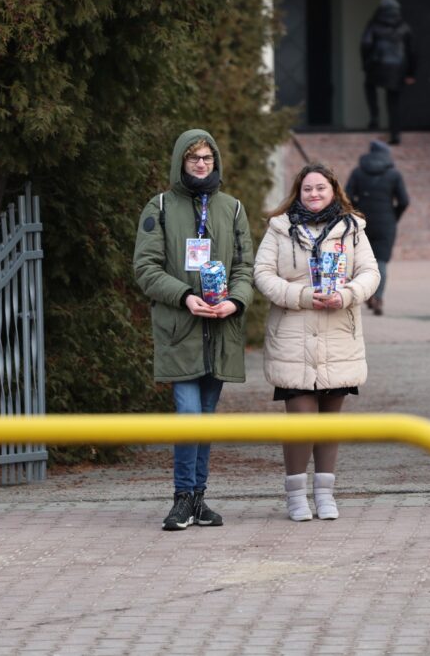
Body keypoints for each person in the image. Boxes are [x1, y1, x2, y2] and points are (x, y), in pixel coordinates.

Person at [133, 128, 254, 530]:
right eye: (193, 158)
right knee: (188, 415)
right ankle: (182, 497)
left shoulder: (232, 209)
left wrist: (236, 300)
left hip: (220, 331)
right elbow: (146, 269)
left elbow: (244, 267)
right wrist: (185, 295)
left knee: (205, 416)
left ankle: (199, 498)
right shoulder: (161, 206)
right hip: (179, 330)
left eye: (207, 158)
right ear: (180, 162)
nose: (201, 164)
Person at [254, 162, 380, 522]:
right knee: (301, 421)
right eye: (307, 189)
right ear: (298, 192)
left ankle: (325, 493)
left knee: (330, 422)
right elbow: (262, 274)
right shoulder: (279, 229)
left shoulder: (353, 228)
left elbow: (370, 272)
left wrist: (349, 294)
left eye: (320, 189)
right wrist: (303, 296)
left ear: (333, 191)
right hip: (293, 336)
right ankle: (296, 494)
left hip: (339, 336)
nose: (314, 195)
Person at [345, 140, 409, 315]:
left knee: (361, 260)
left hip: (361, 221)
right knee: (380, 262)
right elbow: (404, 201)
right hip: (386, 222)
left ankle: (365, 293)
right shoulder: (394, 174)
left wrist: (356, 212)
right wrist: (393, 216)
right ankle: (378, 298)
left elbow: (346, 197)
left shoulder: (357, 173)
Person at [360, 0, 416, 145]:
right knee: (393, 101)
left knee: (369, 86)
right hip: (398, 67)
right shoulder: (404, 27)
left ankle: (374, 118)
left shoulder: (374, 25)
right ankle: (395, 134)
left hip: (377, 64)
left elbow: (366, 44)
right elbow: (412, 51)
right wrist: (411, 72)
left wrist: (365, 64)